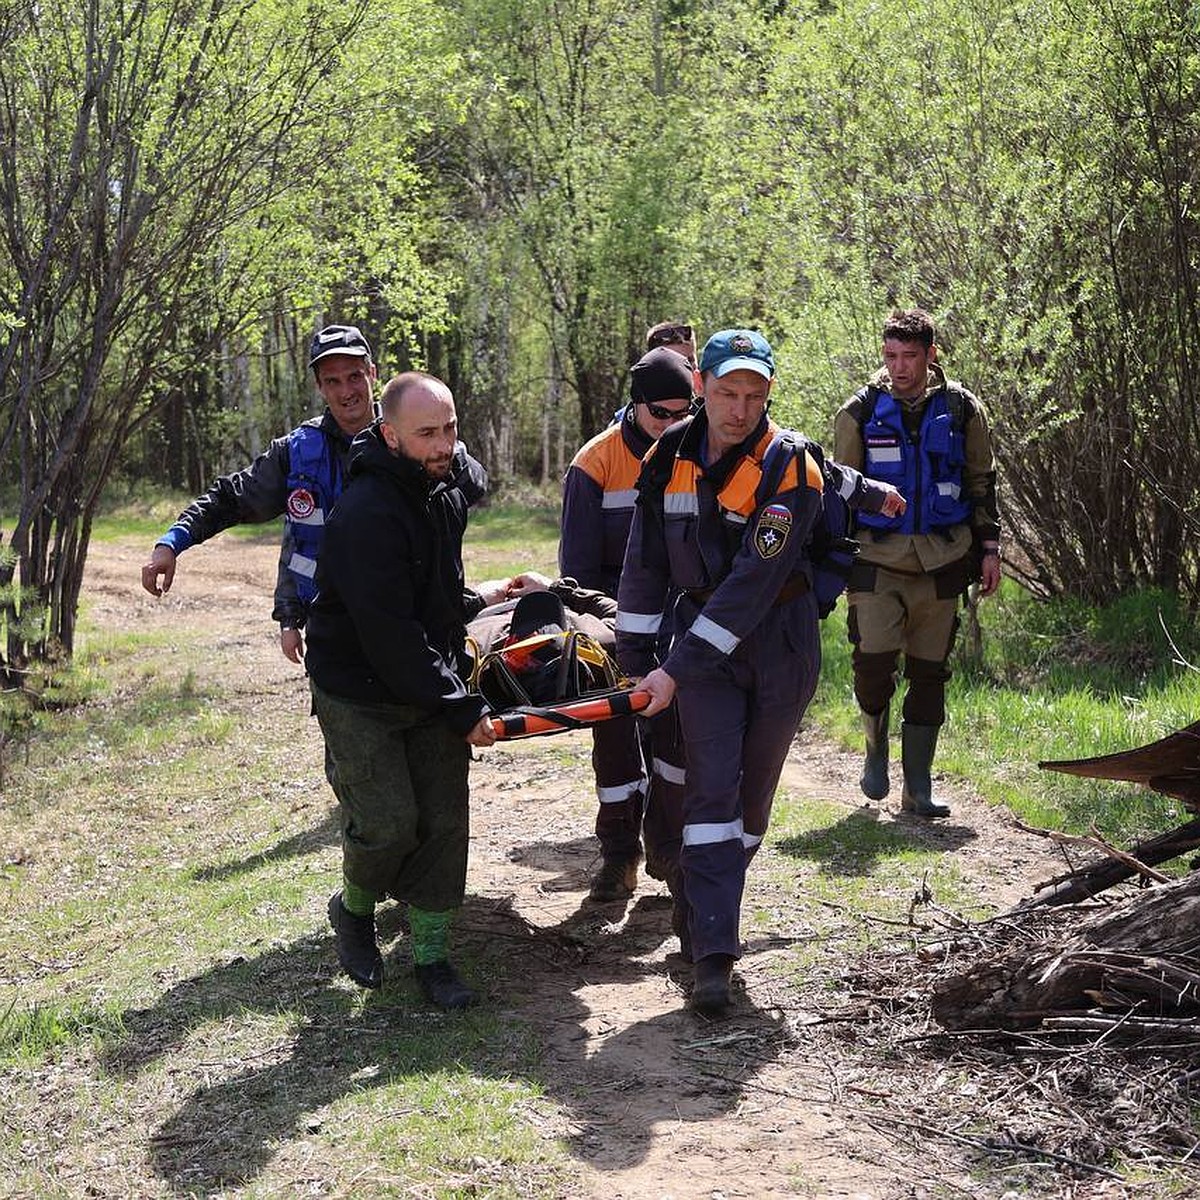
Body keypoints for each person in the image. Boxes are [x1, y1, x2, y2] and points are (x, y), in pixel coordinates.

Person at [616, 329, 903, 1016]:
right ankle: (714, 954)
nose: (738, 409)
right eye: (724, 393)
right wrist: (636, 664)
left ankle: (698, 900)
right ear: (701, 391)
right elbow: (644, 563)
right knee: (713, 788)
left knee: (751, 803)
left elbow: (750, 583)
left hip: (780, 641)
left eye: (753, 395)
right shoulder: (669, 458)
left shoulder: (791, 466)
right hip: (703, 655)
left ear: (768, 394)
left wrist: (673, 669)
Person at [304, 370, 502, 1010]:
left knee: (444, 822)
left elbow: (434, 601)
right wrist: (459, 703)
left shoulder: (442, 492)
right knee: (389, 824)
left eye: (450, 429)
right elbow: (389, 634)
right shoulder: (364, 513)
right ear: (389, 435)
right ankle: (353, 908)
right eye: (427, 433)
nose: (445, 444)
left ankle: (433, 959)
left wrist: (491, 598)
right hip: (358, 690)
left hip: (423, 674)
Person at [834, 308, 1001, 819]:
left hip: (943, 557)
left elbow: (981, 482)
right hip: (877, 560)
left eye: (910, 356)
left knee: (930, 673)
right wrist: (834, 562)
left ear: (931, 355)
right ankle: (875, 750)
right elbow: (839, 491)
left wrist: (990, 549)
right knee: (873, 663)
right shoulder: (859, 412)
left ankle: (918, 787)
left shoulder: (963, 409)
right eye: (890, 355)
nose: (899, 366)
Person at [560, 347, 695, 903]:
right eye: (660, 414)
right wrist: (619, 625)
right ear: (635, 406)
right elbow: (574, 577)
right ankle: (619, 855)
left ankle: (668, 847)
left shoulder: (702, 453)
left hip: (681, 626)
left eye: (683, 413)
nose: (672, 425)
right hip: (612, 629)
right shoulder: (595, 463)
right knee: (615, 741)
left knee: (676, 744)